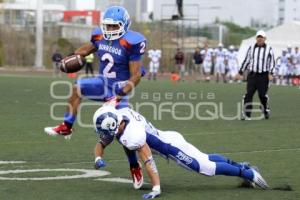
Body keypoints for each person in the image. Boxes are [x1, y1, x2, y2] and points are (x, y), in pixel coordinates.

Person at [44, 6, 146, 189]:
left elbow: (136, 75)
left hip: (118, 87)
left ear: (124, 25)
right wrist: (73, 57)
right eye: (107, 26)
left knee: (122, 131)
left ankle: (134, 165)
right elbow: (88, 48)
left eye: (114, 26)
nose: (110, 30)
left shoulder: (132, 42)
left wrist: (123, 91)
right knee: (77, 88)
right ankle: (67, 126)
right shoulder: (99, 35)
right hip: (101, 83)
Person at [92, 106, 269, 199]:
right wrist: (98, 157)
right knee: (205, 158)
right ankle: (241, 166)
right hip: (169, 136)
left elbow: (148, 160)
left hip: (172, 148)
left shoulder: (133, 135)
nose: (102, 133)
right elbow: (102, 142)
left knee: (205, 167)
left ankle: (248, 173)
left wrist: (156, 188)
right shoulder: (120, 115)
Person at [238, 30, 275, 120]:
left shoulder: (269, 48)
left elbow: (272, 62)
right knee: (248, 94)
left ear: (264, 39)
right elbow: (247, 60)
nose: (259, 39)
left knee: (262, 95)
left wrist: (271, 73)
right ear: (256, 38)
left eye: (261, 37)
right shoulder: (251, 47)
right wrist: (240, 71)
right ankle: (247, 114)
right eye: (258, 37)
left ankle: (265, 110)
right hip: (252, 75)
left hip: (263, 75)